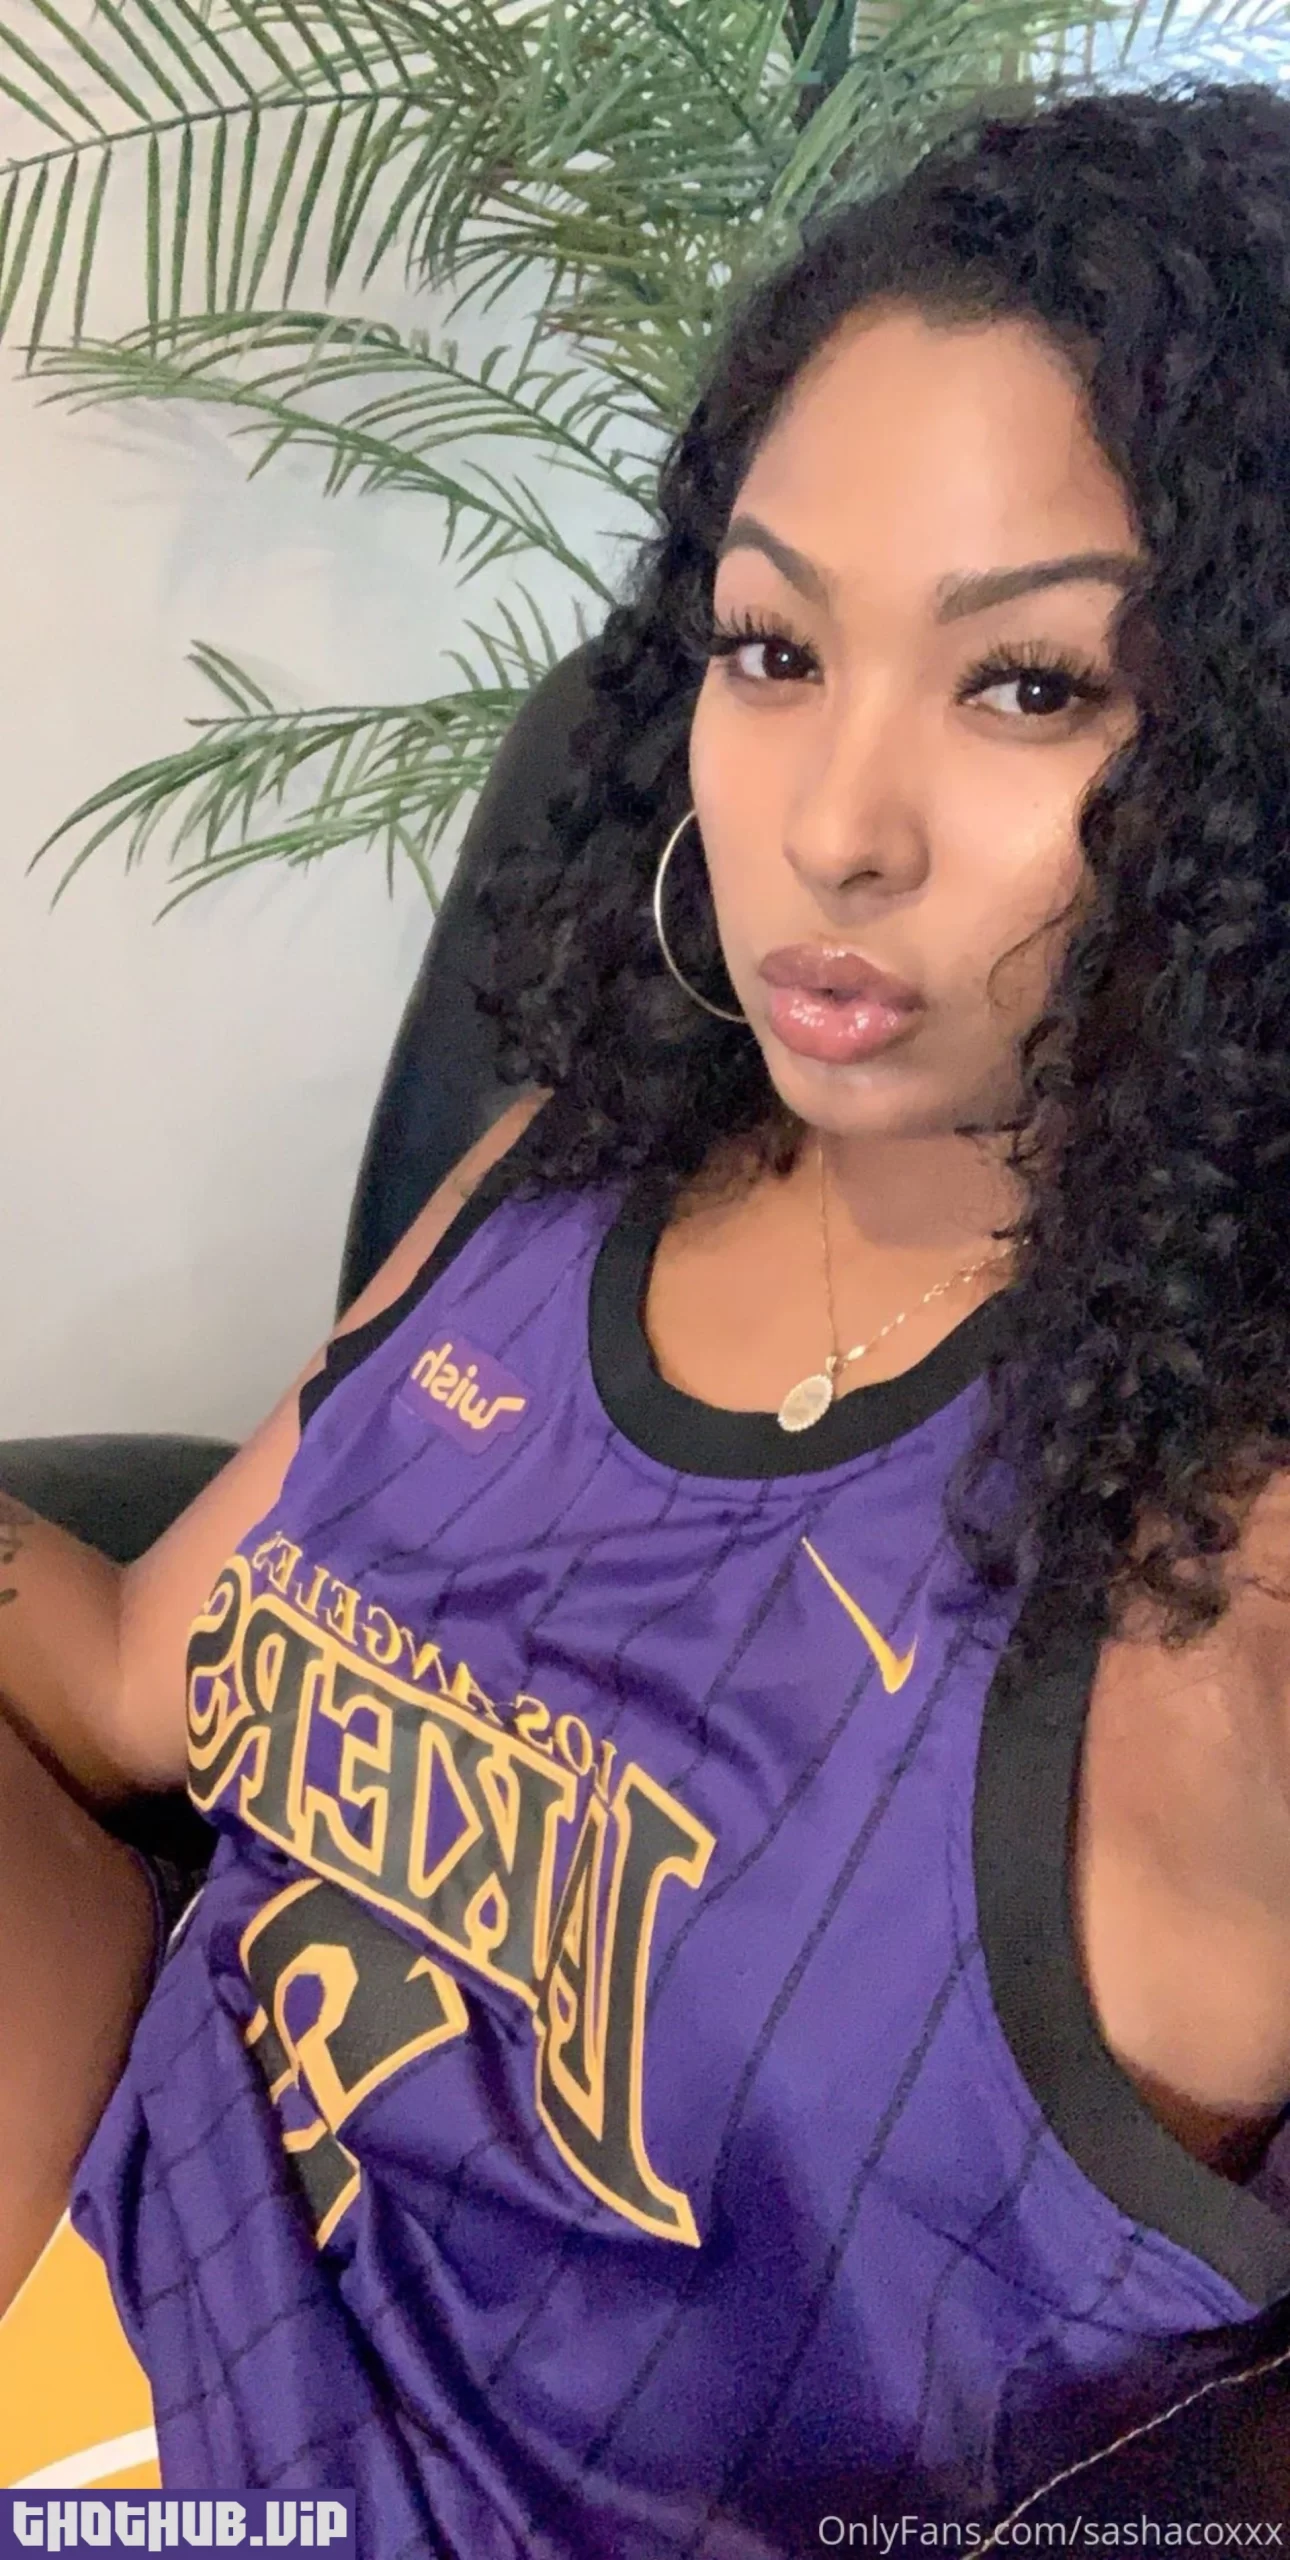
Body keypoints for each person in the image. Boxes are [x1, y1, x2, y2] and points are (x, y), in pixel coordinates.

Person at [7, 70, 1290, 2556]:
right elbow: (140, 1668)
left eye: (1030, 685)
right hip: (105, 2327)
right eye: (774, 647)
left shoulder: (1216, 1569)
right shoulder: (561, 1177)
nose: (833, 824)